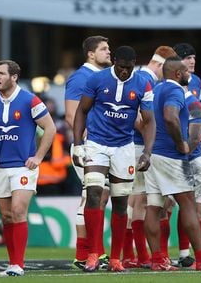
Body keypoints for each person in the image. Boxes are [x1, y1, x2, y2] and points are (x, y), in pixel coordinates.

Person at [73, 45, 155, 273]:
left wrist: (147, 152)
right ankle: (93, 254)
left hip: (124, 148)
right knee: (94, 192)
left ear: (134, 64)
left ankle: (116, 259)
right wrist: (78, 144)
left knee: (120, 202)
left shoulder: (143, 84)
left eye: (129, 68)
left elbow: (149, 121)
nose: (124, 72)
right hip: (97, 144)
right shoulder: (97, 79)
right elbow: (82, 111)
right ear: (114, 62)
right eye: (121, 67)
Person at [144, 57, 201, 271]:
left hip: (153, 154)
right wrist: (181, 143)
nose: (189, 74)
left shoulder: (156, 90)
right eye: (185, 71)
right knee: (189, 204)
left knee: (153, 208)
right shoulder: (175, 91)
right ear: (178, 74)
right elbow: (171, 116)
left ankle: (157, 261)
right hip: (171, 156)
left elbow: (145, 118)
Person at [0, 60, 56, 277]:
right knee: (6, 217)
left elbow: (50, 128)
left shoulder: (30, 100)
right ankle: (12, 264)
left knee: (18, 212)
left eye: (2, 73)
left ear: (14, 77)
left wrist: (38, 157)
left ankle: (18, 265)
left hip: (23, 167)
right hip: (0, 169)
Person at [123, 45, 176, 269]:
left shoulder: (139, 76)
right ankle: (145, 256)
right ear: (160, 65)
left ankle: (132, 254)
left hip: (131, 146)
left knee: (134, 200)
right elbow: (135, 115)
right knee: (144, 200)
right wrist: (150, 140)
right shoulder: (146, 80)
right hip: (138, 147)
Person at [64, 35, 111, 269]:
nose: (109, 52)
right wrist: (84, 145)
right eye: (104, 49)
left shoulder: (103, 77)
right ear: (91, 54)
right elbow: (72, 114)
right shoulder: (80, 78)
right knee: (92, 196)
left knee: (99, 197)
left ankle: (90, 253)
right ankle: (85, 253)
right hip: (89, 146)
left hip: (103, 146)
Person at [172, 42, 201, 266]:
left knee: (195, 207)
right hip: (172, 154)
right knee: (167, 207)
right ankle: (166, 255)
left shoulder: (196, 82)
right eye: (188, 58)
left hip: (194, 153)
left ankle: (193, 256)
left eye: (194, 57)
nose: (192, 61)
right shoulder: (167, 84)